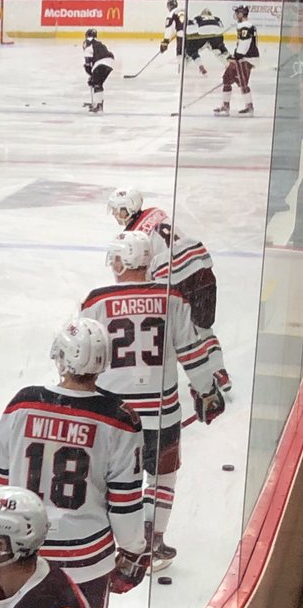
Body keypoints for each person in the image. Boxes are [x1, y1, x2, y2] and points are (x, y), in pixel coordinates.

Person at [0, 319, 146, 608]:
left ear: (59, 356)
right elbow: (126, 503)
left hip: (24, 554)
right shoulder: (120, 418)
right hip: (87, 560)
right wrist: (134, 549)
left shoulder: (22, 404)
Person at [80, 232, 231, 570]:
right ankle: (152, 542)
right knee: (162, 476)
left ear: (122, 262)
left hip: (113, 414)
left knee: (109, 478)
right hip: (161, 414)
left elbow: (84, 356)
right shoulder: (171, 297)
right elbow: (192, 353)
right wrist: (207, 391)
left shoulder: (96, 301)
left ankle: (113, 543)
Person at [107, 185, 218, 329]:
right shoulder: (155, 212)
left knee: (178, 332)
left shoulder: (134, 237)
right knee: (202, 329)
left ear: (129, 208)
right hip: (201, 267)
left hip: (179, 279)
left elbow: (140, 276)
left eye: (118, 210)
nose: (114, 214)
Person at [215, 4, 259, 116]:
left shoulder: (246, 26)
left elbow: (245, 43)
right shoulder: (243, 25)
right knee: (227, 77)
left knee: (243, 82)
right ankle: (225, 106)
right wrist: (236, 56)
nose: (235, 15)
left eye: (237, 13)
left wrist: (237, 56)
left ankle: (249, 107)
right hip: (241, 57)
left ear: (241, 14)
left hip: (246, 58)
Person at [183, 8, 228, 77]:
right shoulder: (216, 18)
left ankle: (200, 66)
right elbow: (221, 28)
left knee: (192, 50)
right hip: (215, 36)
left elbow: (190, 27)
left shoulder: (198, 18)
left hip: (202, 35)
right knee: (217, 50)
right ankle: (227, 64)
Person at [82, 28, 113, 115]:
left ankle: (98, 105)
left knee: (96, 84)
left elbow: (87, 64)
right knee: (98, 83)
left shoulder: (87, 45)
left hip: (100, 63)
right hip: (110, 62)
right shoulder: (99, 43)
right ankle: (99, 103)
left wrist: (91, 75)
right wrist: (93, 76)